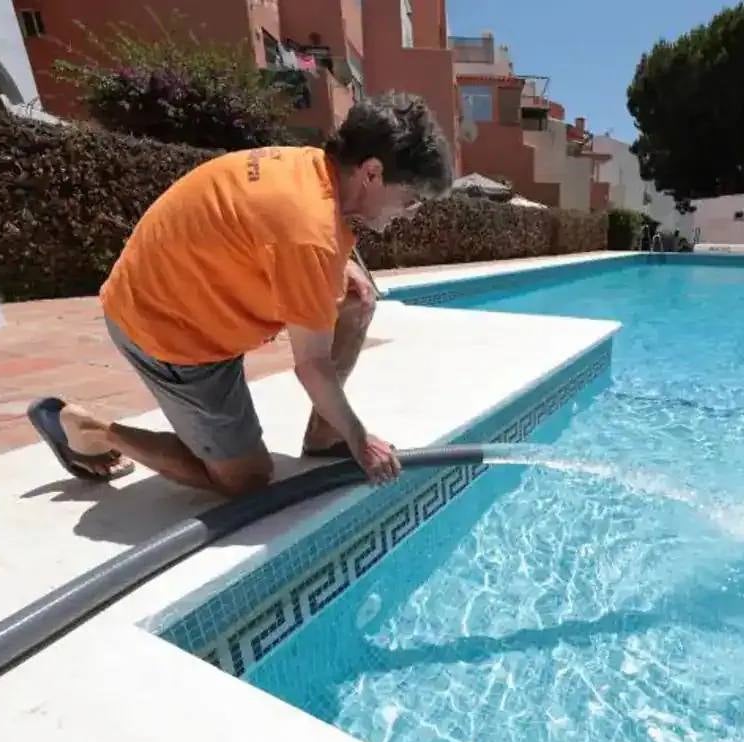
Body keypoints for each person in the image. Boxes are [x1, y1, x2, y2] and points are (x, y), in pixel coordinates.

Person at [27, 93, 452, 496]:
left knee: (357, 301)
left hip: (193, 292)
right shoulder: (308, 233)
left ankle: (324, 436)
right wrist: (362, 441)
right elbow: (311, 366)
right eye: (410, 200)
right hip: (167, 331)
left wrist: (341, 265)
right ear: (372, 173)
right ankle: (88, 430)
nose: (408, 214)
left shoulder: (315, 170)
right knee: (245, 481)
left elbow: (273, 230)